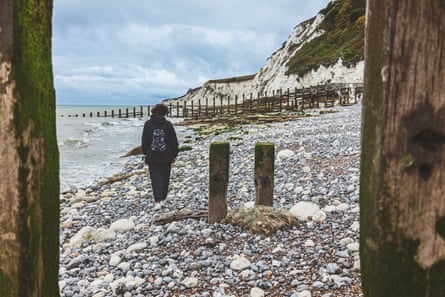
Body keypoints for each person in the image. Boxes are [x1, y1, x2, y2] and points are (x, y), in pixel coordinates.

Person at [141, 104, 179, 210]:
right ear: (165, 113)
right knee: (165, 177)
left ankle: (157, 201)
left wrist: (145, 154)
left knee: (155, 178)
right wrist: (174, 155)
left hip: (152, 156)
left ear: (153, 112)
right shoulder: (168, 125)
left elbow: (145, 141)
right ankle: (163, 199)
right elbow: (174, 142)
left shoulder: (147, 124)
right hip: (166, 156)